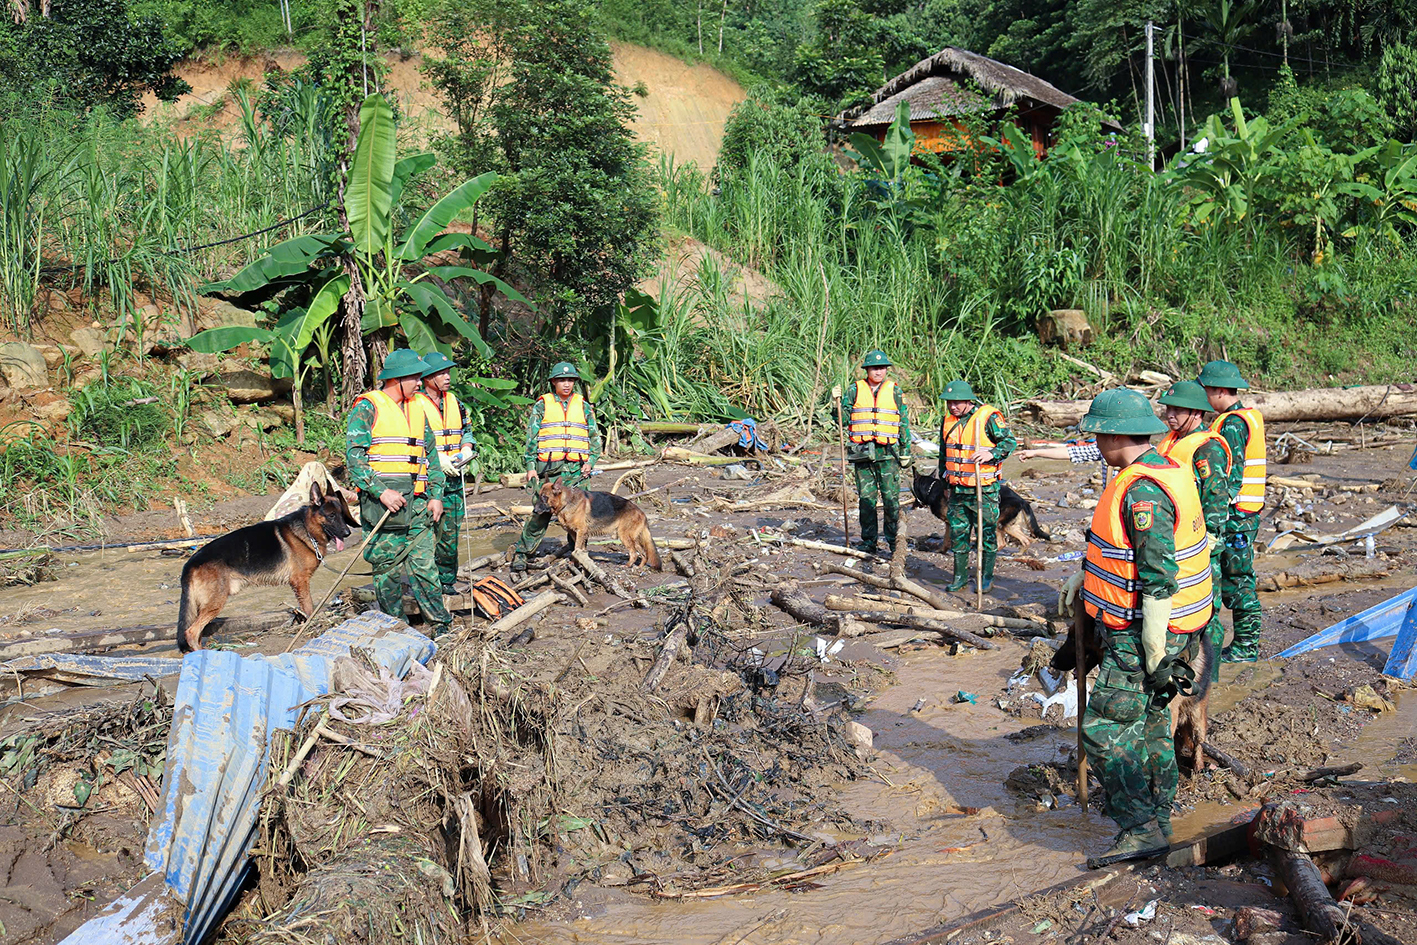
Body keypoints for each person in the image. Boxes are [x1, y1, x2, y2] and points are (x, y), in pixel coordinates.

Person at [1058, 388, 1213, 868]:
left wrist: (1151, 647)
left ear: (1114, 436)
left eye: (1099, 435)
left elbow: (1158, 575)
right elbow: (1125, 550)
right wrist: (1087, 573)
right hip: (1165, 627)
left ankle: (1140, 829)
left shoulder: (1143, 491)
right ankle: (1160, 819)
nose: (1097, 443)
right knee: (1148, 729)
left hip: (1143, 632)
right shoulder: (1157, 472)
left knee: (1104, 731)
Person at [345, 349, 452, 636]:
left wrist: (436, 495)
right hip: (384, 510)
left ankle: (442, 628)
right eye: (415, 377)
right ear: (397, 378)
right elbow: (355, 459)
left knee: (426, 569)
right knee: (387, 573)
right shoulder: (367, 407)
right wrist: (381, 492)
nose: (420, 382)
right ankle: (397, 631)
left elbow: (432, 455)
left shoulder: (418, 407)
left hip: (418, 507)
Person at [1156, 380, 1232, 681]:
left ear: (1197, 413)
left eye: (1177, 410)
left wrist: (1209, 541)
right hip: (1179, 542)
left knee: (1207, 613)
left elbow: (1216, 499)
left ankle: (1208, 682)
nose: (1170, 415)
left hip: (1202, 545)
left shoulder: (1206, 449)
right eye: (1168, 408)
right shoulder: (1171, 442)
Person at [1198, 360, 1266, 663]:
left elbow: (1231, 474)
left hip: (1238, 515)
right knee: (1237, 578)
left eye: (1206, 391)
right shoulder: (1243, 417)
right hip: (1243, 512)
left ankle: (1245, 647)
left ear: (1220, 391)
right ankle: (1242, 645)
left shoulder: (1233, 423)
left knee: (1238, 580)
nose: (1203, 398)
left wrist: (1215, 511)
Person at [511, 361, 600, 572]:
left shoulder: (584, 406)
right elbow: (531, 437)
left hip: (577, 470)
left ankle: (578, 555)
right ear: (554, 382)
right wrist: (531, 466)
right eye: (562, 380)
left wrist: (591, 462)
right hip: (550, 471)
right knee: (541, 512)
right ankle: (522, 554)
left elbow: (594, 438)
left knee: (579, 516)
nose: (566, 384)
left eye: (570, 380)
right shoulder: (542, 405)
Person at [410, 351, 477, 595]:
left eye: (448, 372)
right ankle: (424, 583)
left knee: (450, 536)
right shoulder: (414, 404)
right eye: (440, 373)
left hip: (454, 478)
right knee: (425, 535)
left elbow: (467, 430)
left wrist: (466, 449)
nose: (447, 377)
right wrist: (437, 459)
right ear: (427, 378)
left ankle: (446, 582)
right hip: (426, 480)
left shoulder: (455, 402)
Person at [938, 379, 1015, 592]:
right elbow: (944, 454)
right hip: (957, 490)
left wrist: (992, 453)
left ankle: (986, 577)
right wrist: (945, 483)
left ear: (968, 400)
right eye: (949, 403)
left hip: (984, 488)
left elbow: (1010, 443)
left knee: (986, 534)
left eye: (957, 402)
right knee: (958, 533)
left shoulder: (988, 418)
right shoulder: (947, 421)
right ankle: (960, 578)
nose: (952, 406)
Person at [841, 350, 913, 555]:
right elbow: (843, 419)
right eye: (874, 368)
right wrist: (835, 404)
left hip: (888, 453)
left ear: (886, 370)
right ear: (867, 370)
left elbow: (903, 422)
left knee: (891, 499)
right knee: (866, 499)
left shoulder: (895, 392)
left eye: (882, 368)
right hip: (862, 453)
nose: (878, 371)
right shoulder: (854, 390)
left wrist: (905, 449)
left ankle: (892, 542)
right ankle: (869, 541)